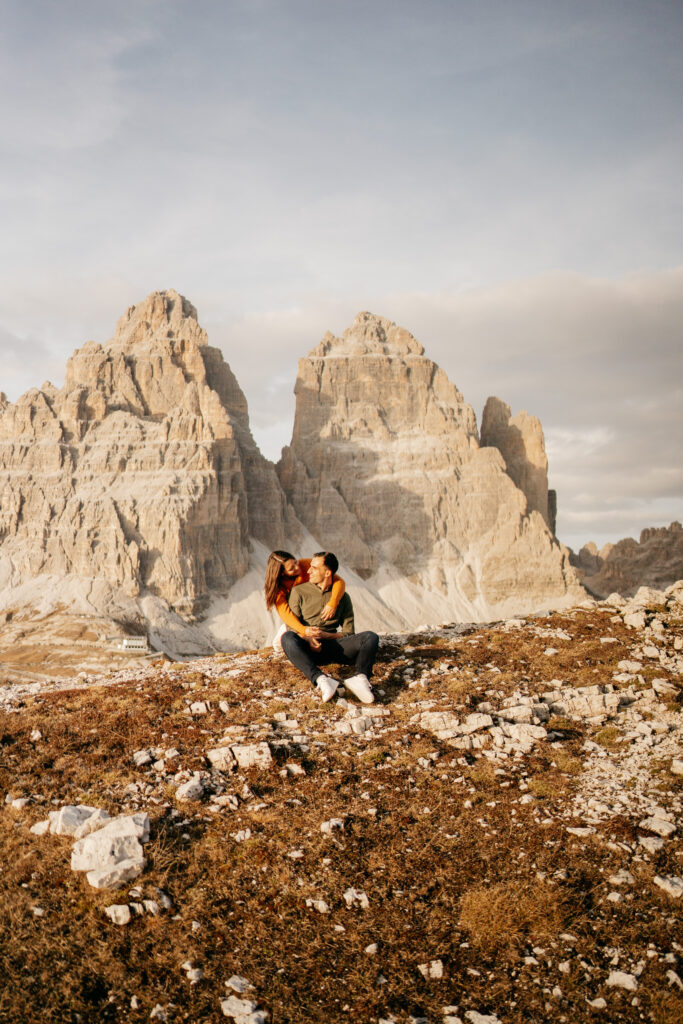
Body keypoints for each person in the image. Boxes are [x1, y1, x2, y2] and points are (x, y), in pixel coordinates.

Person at [280, 551, 379, 704]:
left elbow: (348, 632)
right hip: (307, 647)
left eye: (314, 568)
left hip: (334, 647)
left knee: (370, 637)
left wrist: (326, 636)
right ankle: (321, 679)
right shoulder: (298, 592)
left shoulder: (342, 597)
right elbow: (291, 628)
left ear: (327, 572)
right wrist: (308, 637)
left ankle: (361, 679)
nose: (308, 571)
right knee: (287, 638)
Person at [264, 549, 346, 650]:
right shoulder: (278, 588)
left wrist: (333, 603)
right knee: (280, 644)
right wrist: (303, 630)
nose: (297, 567)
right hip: (297, 617)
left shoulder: (306, 564)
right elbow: (285, 613)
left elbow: (339, 581)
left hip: (315, 612)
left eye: (295, 562)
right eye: (291, 568)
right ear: (282, 573)